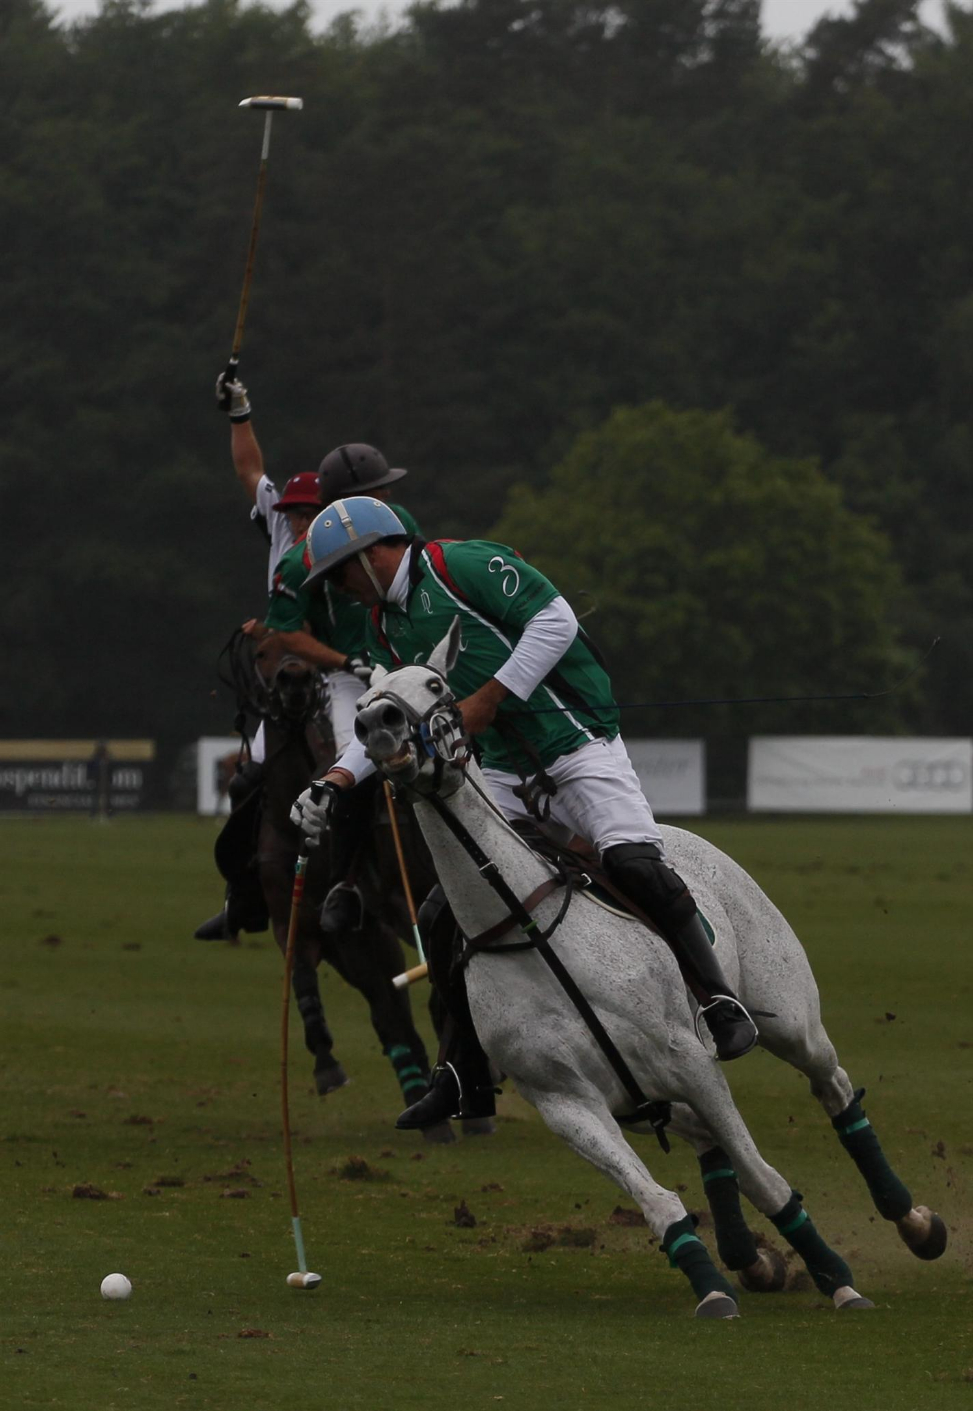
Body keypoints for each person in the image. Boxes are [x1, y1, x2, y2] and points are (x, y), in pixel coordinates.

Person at [290, 497, 759, 1124]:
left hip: (575, 741)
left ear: (375, 552)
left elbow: (555, 619)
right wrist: (336, 779)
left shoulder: (463, 567)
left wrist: (489, 697)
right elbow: (385, 721)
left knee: (636, 865)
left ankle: (719, 1001)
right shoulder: (383, 627)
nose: (341, 591)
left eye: (341, 574)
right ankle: (463, 1073)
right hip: (503, 769)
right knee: (446, 909)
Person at [248, 448, 421, 936]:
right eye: (374, 492)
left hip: (405, 656)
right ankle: (348, 879)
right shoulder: (299, 559)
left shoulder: (398, 522)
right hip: (349, 677)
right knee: (355, 759)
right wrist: (347, 661)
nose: (384, 498)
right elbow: (285, 633)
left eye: (384, 491)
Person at [194, 373, 323, 941]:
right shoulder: (278, 525)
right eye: (294, 512)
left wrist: (271, 629)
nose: (298, 520)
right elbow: (250, 470)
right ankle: (243, 899)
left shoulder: (346, 543)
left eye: (308, 512)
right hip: (286, 688)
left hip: (335, 678)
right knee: (249, 784)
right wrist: (239, 411)